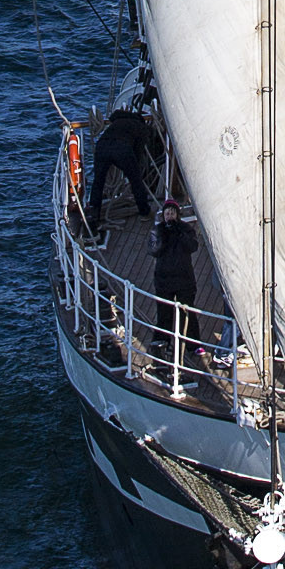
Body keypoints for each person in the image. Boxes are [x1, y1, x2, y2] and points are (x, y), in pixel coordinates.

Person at [151, 196, 202, 381]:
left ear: (177, 215)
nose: (170, 215)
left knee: (187, 313)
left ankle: (193, 344)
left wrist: (179, 232)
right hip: (164, 280)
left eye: (172, 212)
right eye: (167, 213)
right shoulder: (158, 231)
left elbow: (192, 246)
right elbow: (154, 250)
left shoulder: (186, 229)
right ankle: (162, 340)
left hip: (183, 279)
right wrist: (165, 234)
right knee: (164, 313)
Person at [86, 99, 156, 234]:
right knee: (136, 180)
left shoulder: (116, 122)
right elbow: (138, 154)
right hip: (122, 149)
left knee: (98, 182)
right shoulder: (140, 127)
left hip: (103, 146)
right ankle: (144, 212)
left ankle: (93, 217)